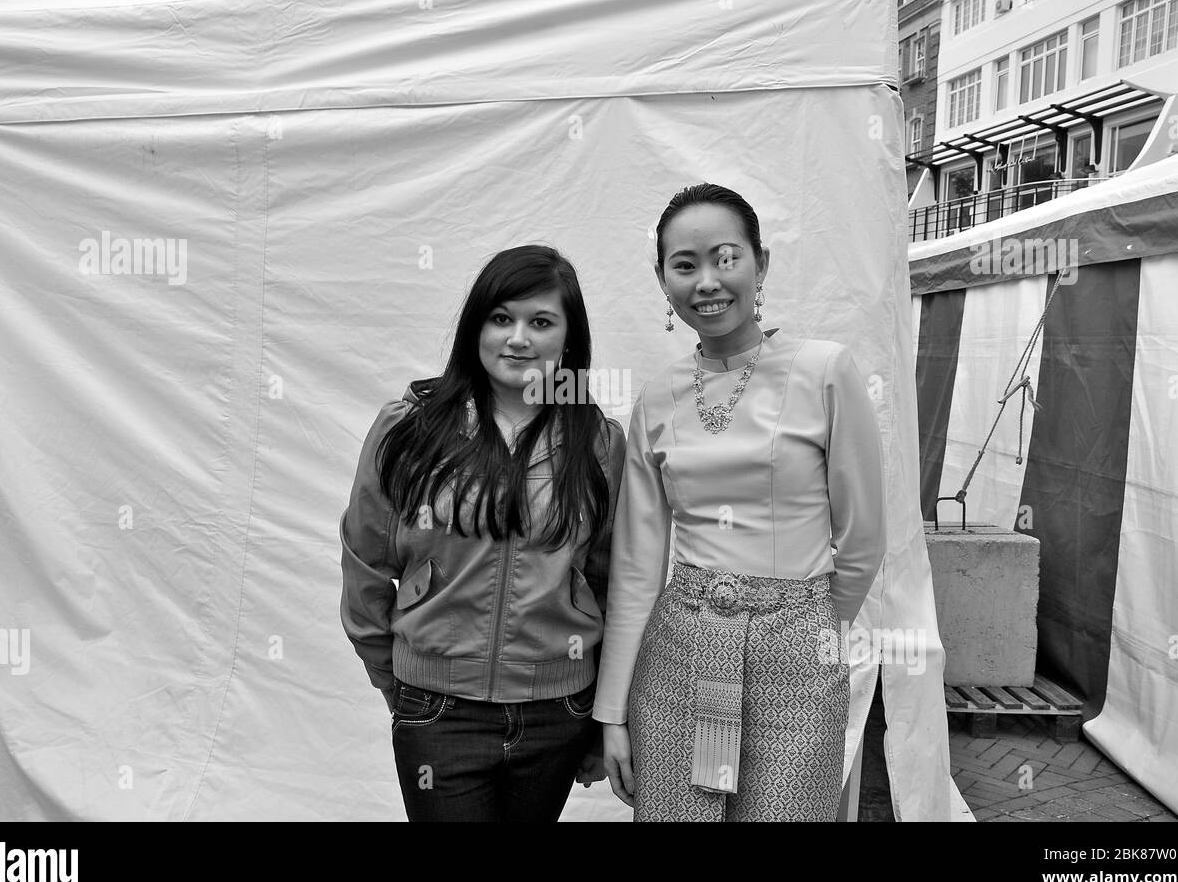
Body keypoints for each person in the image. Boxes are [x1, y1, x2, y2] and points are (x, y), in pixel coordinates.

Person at [596, 183, 886, 821]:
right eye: (684, 265)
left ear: (761, 263)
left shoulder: (825, 371)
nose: (707, 281)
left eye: (725, 257)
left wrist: (807, 626)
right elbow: (639, 567)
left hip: (799, 653)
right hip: (681, 650)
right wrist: (612, 712)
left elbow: (862, 539)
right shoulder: (656, 398)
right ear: (662, 279)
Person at [339, 244, 626, 822]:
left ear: (568, 339)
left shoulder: (599, 442)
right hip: (440, 710)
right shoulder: (411, 428)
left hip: (557, 709)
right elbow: (366, 559)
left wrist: (602, 714)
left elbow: (610, 578)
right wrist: (395, 678)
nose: (517, 338)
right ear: (476, 328)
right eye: (501, 318)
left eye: (540, 322)